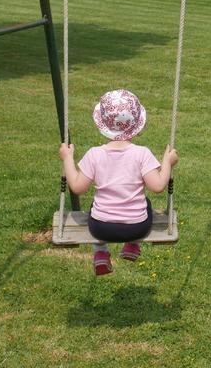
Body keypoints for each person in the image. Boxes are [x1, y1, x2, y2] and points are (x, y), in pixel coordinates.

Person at [58, 89, 178, 275]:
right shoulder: (142, 154)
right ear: (137, 125)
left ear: (103, 124)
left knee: (95, 205)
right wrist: (167, 162)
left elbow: (77, 187)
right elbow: (158, 186)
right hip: (137, 228)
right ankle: (131, 245)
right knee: (145, 203)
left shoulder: (94, 154)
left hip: (101, 228)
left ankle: (100, 253)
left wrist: (67, 158)